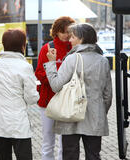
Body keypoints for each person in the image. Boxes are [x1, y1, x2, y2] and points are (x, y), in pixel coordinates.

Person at [44, 23, 112, 160]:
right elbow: (107, 94)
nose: (70, 40)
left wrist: (51, 63)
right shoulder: (103, 61)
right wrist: (99, 112)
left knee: (70, 155)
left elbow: (56, 86)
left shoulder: (72, 59)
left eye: (73, 37)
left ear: (82, 39)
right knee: (93, 155)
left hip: (71, 115)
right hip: (95, 116)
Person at [0, 29, 39, 160]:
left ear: (4, 45)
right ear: (23, 45)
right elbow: (31, 98)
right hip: (19, 123)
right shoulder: (25, 67)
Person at [35, 16, 75, 160]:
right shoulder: (48, 48)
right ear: (56, 31)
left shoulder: (74, 49)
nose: (66, 35)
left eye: (69, 32)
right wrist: (55, 82)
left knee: (65, 143)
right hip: (48, 102)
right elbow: (39, 73)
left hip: (68, 102)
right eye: (63, 32)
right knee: (48, 141)